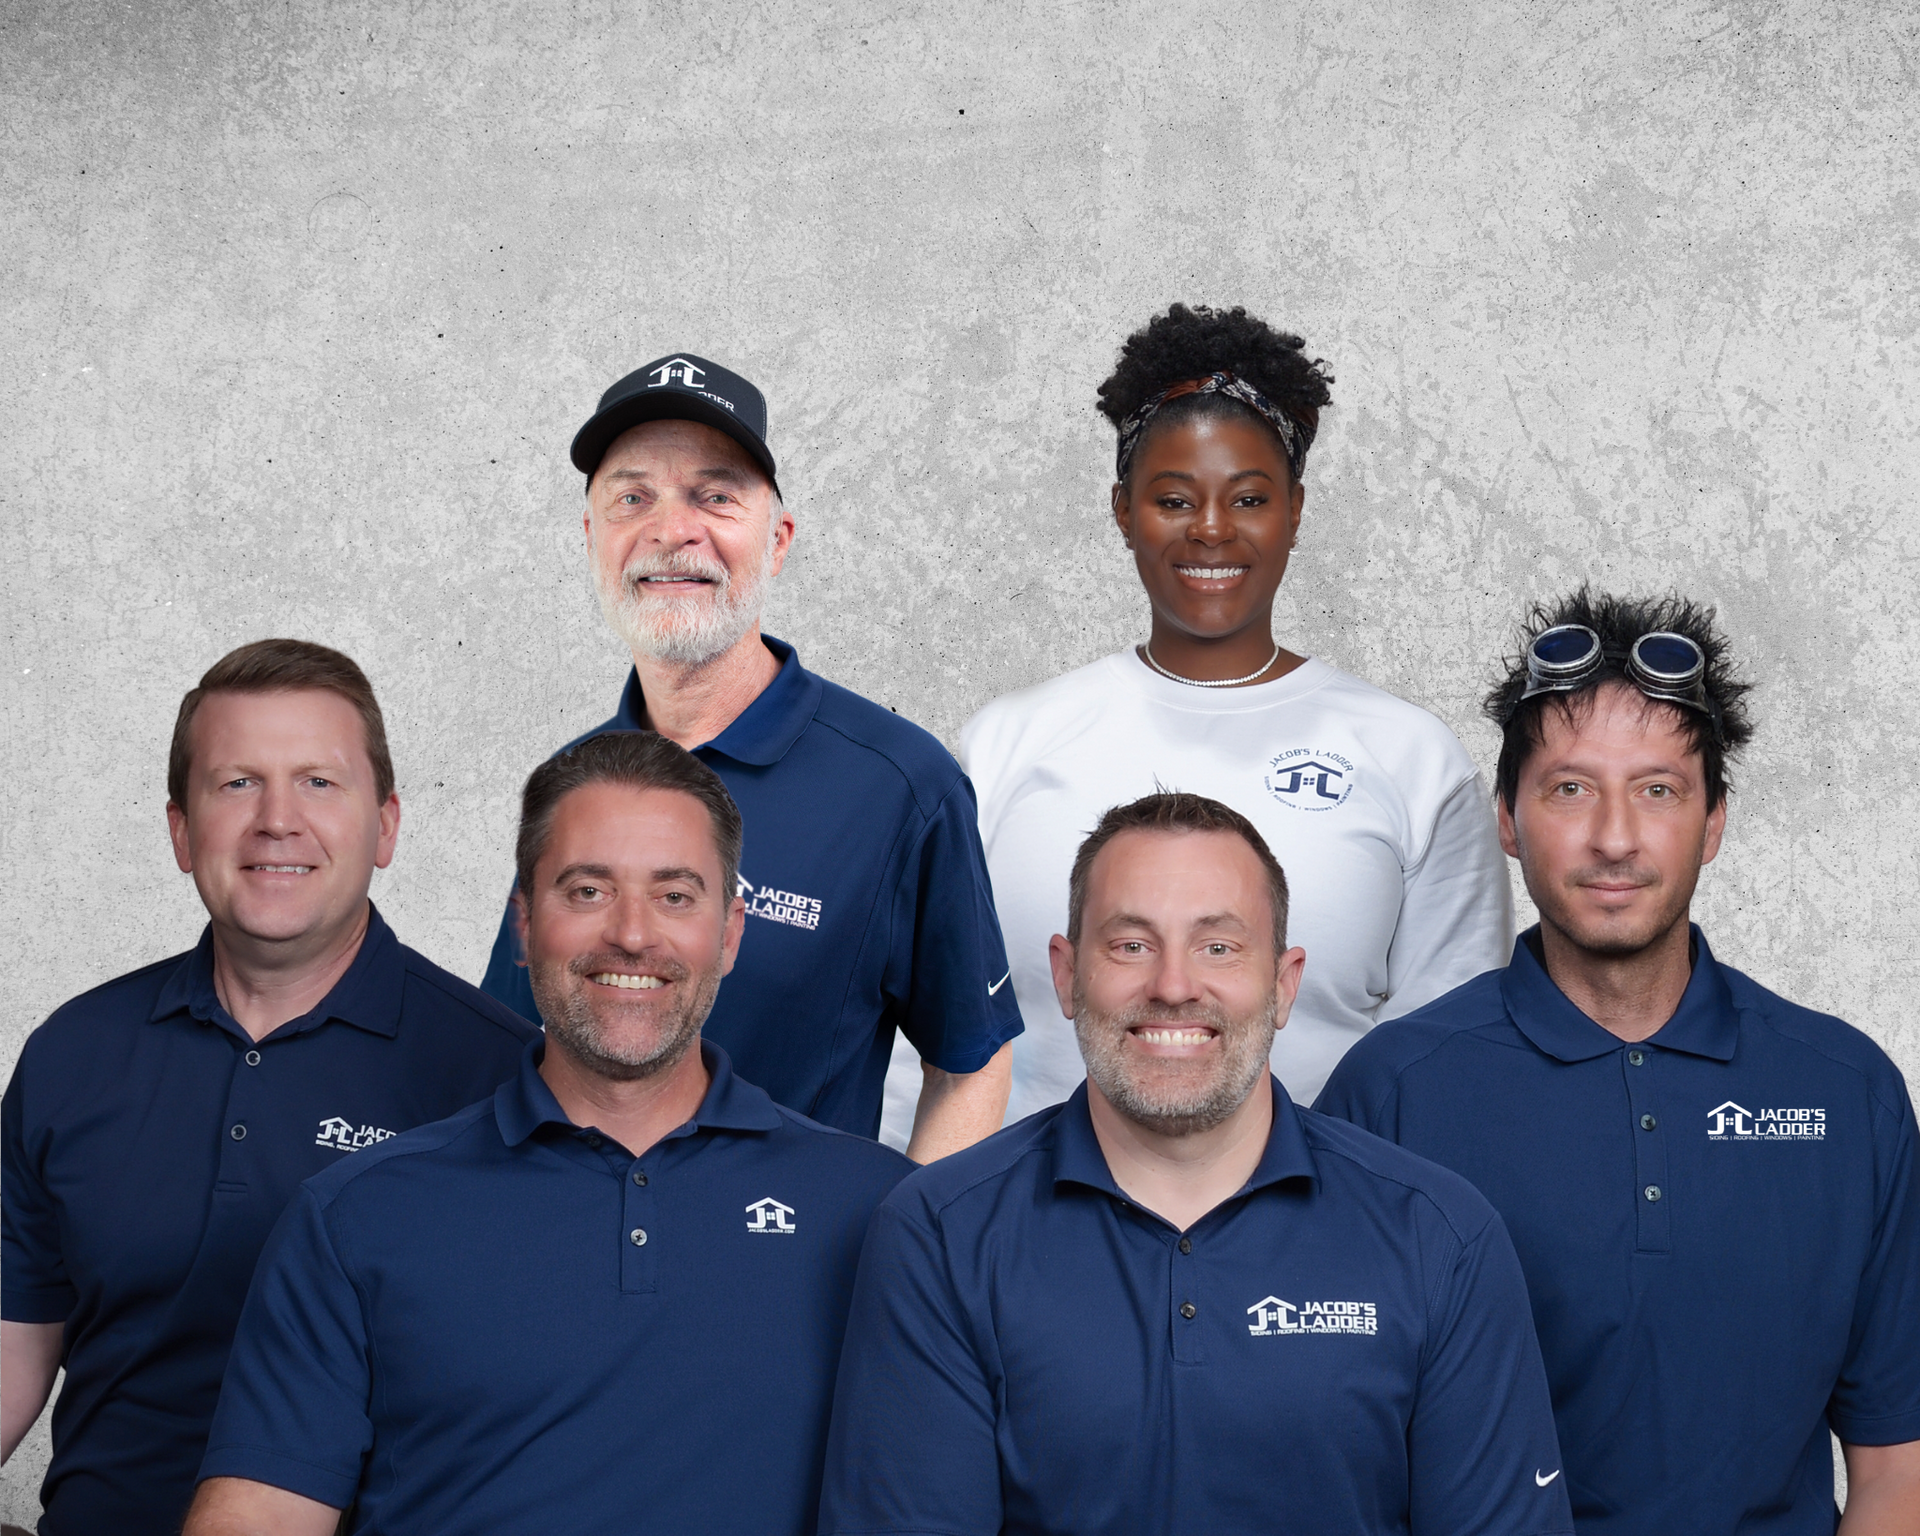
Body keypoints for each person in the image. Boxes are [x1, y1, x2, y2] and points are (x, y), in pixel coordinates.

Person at [187, 732, 913, 1536]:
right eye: (588, 891)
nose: (633, 936)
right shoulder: (356, 1216)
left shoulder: (879, 1211)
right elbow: (257, 1516)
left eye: (676, 896)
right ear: (525, 925)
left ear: (731, 933)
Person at [1317, 590, 1920, 1535]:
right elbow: (1329, 1460)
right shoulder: (1390, 1093)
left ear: (1714, 823)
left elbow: (1897, 1475)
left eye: (1658, 789)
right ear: (1508, 821)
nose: (1614, 836)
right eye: (1568, 788)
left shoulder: (1847, 1094)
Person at [822, 792, 1570, 1536]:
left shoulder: (1439, 1238)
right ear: (1065, 975)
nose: (1174, 986)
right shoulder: (938, 1237)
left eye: (1219, 947)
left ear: (1283, 985)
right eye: (1130, 945)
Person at [1, 640, 537, 1536]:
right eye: (237, 783)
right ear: (181, 830)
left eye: (320, 784)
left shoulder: (497, 1078)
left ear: (388, 826)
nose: (276, 820)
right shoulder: (74, 1053)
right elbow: (14, 1344)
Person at [952, 303, 1510, 1120]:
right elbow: (929, 1040)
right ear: (1121, 510)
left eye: (1248, 500)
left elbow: (1446, 1062)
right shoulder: (1003, 746)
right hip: (1036, 1226)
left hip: (1322, 1230)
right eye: (1174, 500)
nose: (1211, 531)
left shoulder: (1411, 757)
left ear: (1294, 510)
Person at [480, 351, 1018, 1158]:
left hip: (787, 1266)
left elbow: (971, 1065)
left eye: (715, 495)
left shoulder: (901, 786)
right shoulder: (573, 783)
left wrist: (902, 1262)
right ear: (593, 538)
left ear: (777, 540)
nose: (671, 530)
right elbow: (508, 1046)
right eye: (634, 497)